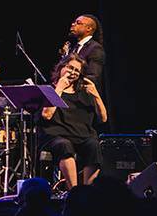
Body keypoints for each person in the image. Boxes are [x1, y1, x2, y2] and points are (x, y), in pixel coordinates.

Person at [40, 55, 107, 190]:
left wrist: (96, 94)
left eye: (77, 71)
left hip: (81, 135)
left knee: (93, 145)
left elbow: (103, 118)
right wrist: (59, 87)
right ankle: (73, 192)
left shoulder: (84, 92)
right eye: (70, 68)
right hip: (57, 136)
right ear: (61, 68)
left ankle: (89, 192)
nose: (73, 72)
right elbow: (47, 115)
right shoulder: (49, 90)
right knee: (65, 145)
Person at [54, 14, 107, 101]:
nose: (73, 24)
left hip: (82, 101)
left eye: (78, 23)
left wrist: (70, 85)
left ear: (88, 29)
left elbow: (93, 77)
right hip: (68, 97)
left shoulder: (95, 48)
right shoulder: (74, 48)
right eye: (74, 22)